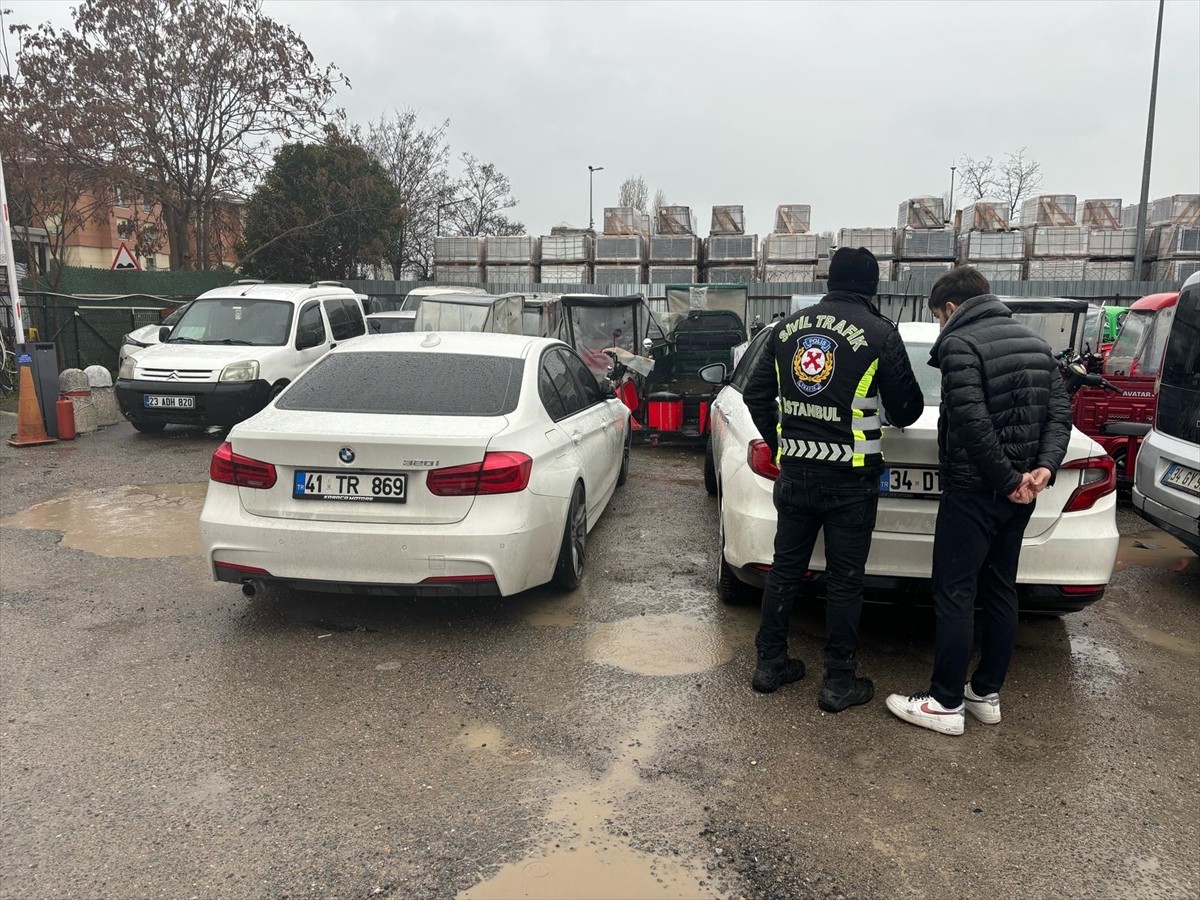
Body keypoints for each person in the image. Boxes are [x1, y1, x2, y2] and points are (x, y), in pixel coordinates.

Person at [885, 266, 1072, 736]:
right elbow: (1059, 415)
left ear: (950, 309)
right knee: (1000, 589)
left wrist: (1006, 479)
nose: (941, 326)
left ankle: (946, 702)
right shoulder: (1036, 343)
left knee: (954, 591)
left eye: (938, 317)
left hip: (975, 490)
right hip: (1021, 494)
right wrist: (1042, 471)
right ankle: (985, 694)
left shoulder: (960, 344)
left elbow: (969, 420)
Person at [744, 247, 925, 711]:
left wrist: (782, 444)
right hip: (852, 481)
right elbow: (907, 409)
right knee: (845, 581)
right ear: (873, 286)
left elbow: (755, 392)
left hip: (798, 472)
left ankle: (769, 666)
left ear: (829, 282)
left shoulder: (788, 328)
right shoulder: (881, 333)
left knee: (785, 570)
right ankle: (837, 683)